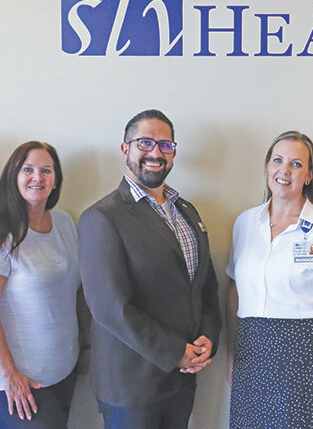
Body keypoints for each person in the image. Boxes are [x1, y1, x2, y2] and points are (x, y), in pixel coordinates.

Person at [78, 109, 222, 429]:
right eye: (145, 143)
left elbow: (204, 285)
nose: (155, 153)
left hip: (182, 380)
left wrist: (207, 337)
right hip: (131, 387)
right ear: (125, 148)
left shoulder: (186, 210)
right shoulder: (101, 218)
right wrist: (175, 352)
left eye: (165, 145)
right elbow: (110, 308)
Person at [227, 131, 313, 429]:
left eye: (296, 164)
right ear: (267, 165)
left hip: (306, 361)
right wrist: (231, 355)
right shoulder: (245, 223)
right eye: (278, 160)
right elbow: (235, 290)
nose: (284, 171)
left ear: (309, 175)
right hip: (253, 358)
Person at [0, 141, 80, 429]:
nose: (37, 178)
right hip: (9, 380)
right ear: (13, 176)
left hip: (61, 372)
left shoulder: (65, 223)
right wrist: (10, 375)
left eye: (46, 171)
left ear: (55, 182)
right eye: (27, 169)